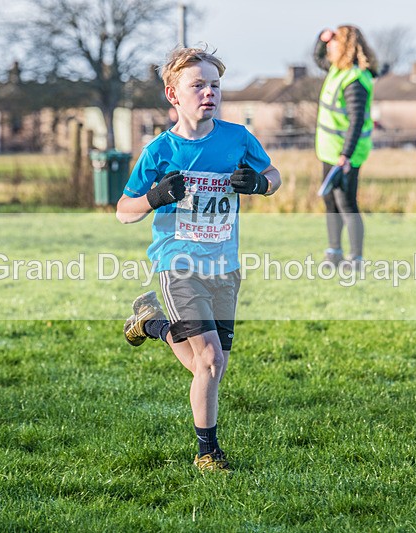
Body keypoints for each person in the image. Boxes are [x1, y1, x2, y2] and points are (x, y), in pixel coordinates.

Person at [115, 46, 281, 472]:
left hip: (224, 265)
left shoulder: (238, 138)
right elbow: (123, 210)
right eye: (198, 85)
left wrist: (259, 185)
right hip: (178, 263)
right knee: (208, 359)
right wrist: (154, 197)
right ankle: (208, 453)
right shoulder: (160, 151)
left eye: (214, 85)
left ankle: (152, 324)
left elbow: (274, 176)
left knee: (212, 365)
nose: (209, 93)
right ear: (173, 95)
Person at [314, 25, 379, 268]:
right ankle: (334, 253)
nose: (330, 47)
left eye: (334, 42)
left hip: (346, 153)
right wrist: (322, 37)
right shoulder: (336, 70)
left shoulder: (355, 79)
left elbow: (357, 119)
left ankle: (356, 258)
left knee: (346, 203)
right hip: (329, 150)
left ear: (345, 46)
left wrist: (346, 155)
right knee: (330, 201)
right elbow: (317, 57)